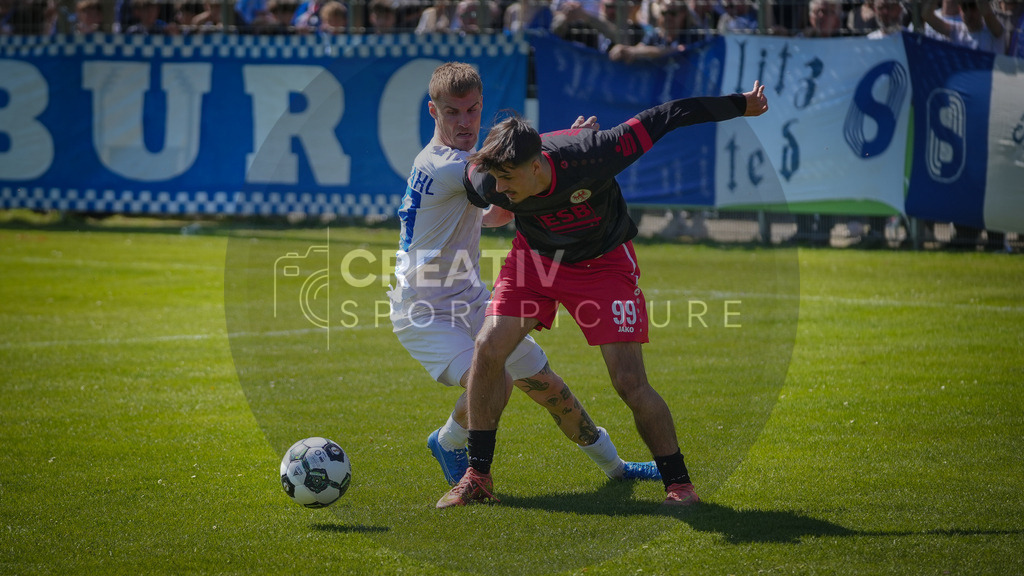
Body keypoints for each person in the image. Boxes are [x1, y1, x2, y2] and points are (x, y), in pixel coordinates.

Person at [436, 81, 770, 509]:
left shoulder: (594, 152)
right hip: (535, 262)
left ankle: (680, 485)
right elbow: (477, 192)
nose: (499, 190)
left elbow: (668, 115)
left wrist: (741, 105)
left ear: (537, 166)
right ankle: (477, 476)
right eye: (495, 180)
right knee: (487, 347)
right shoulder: (486, 177)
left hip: (604, 265)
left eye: (508, 179)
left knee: (629, 382)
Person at [390, 62, 662, 489]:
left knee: (550, 388)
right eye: (452, 112)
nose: (464, 122)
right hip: (424, 311)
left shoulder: (467, 168)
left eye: (472, 110)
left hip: (470, 298)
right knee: (494, 377)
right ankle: (448, 441)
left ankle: (617, 468)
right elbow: (521, 175)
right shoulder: (447, 165)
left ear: (482, 106)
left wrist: (561, 149)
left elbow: (500, 211)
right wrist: (568, 148)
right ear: (432, 111)